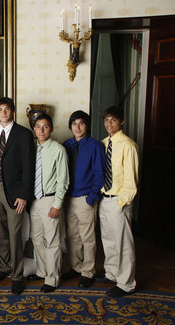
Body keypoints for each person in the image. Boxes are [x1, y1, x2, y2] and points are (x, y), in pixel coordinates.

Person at [0, 97, 34, 295]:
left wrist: (24, 195)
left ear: (12, 111)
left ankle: (16, 276)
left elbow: (28, 167)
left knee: (15, 235)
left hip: (15, 193)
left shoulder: (23, 134)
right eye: (0, 109)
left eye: (7, 109)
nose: (4, 112)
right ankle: (4, 267)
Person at [96, 106, 139, 297]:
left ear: (121, 121)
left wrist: (122, 203)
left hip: (119, 201)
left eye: (113, 120)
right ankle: (112, 273)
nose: (109, 124)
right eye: (106, 120)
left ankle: (126, 283)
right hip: (104, 198)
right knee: (108, 239)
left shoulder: (128, 145)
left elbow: (131, 180)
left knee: (123, 243)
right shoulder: (104, 143)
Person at [62, 110, 105, 288]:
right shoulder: (66, 144)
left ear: (87, 125)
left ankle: (88, 271)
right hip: (68, 198)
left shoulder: (95, 146)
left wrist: (92, 197)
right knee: (72, 236)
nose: (77, 127)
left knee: (87, 237)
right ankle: (76, 266)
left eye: (81, 123)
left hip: (85, 198)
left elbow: (100, 173)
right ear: (70, 126)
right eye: (74, 124)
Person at [29, 113, 69, 293]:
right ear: (34, 129)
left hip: (50, 199)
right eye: (38, 126)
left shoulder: (58, 150)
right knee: (37, 238)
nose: (41, 130)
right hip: (34, 200)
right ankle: (42, 271)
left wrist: (57, 204)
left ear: (51, 128)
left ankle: (52, 278)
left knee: (52, 240)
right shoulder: (31, 148)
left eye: (45, 126)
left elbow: (64, 180)